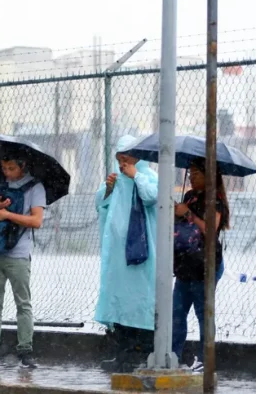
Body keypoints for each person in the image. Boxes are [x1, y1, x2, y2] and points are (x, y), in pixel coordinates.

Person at [0, 154, 46, 370]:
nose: (7, 172)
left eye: (11, 167)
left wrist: (7, 215)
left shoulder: (35, 187)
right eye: (4, 167)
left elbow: (36, 220)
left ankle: (26, 351)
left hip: (18, 255)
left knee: (23, 303)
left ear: (23, 165)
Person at [94, 134, 158, 373]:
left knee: (140, 303)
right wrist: (108, 189)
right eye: (120, 159)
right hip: (117, 258)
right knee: (119, 302)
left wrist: (136, 176)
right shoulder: (116, 181)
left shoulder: (149, 177)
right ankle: (121, 352)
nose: (122, 164)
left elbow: (152, 198)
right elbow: (100, 203)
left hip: (143, 258)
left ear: (138, 158)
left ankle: (142, 352)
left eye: (127, 158)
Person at [172, 158, 230, 372]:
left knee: (203, 314)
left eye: (197, 172)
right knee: (176, 314)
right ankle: (173, 357)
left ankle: (206, 361)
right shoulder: (189, 196)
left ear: (209, 176)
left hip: (205, 266)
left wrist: (187, 214)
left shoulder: (215, 199)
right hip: (185, 266)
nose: (192, 176)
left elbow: (209, 230)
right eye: (191, 172)